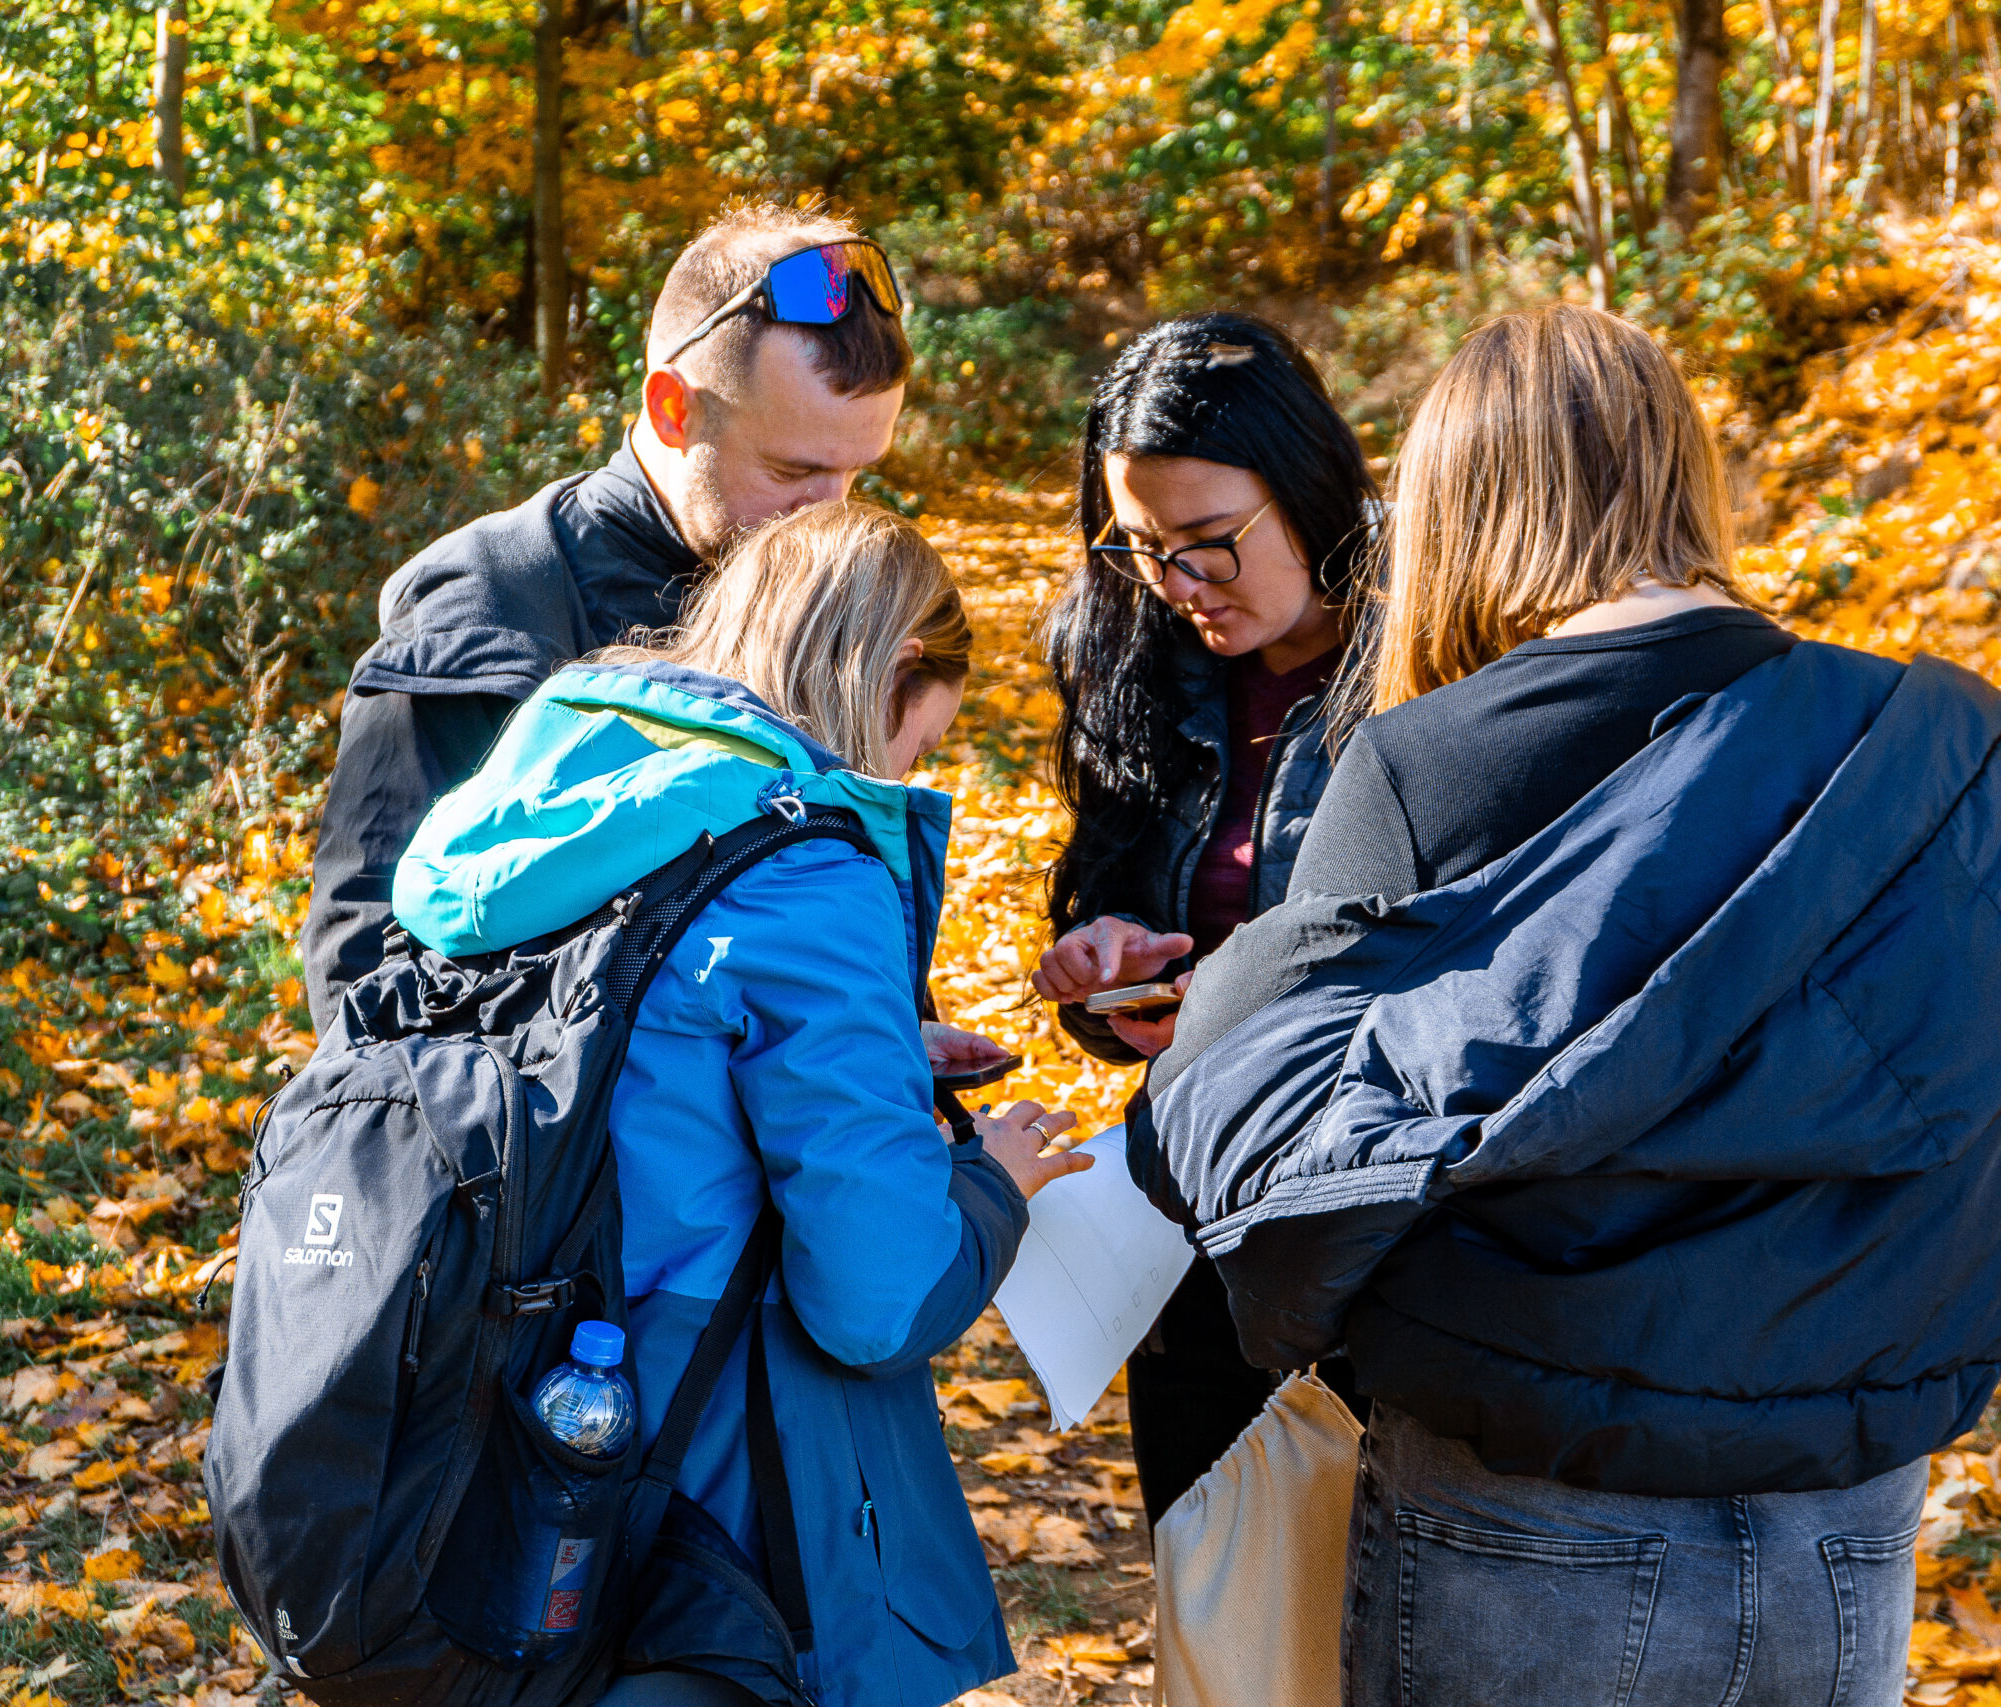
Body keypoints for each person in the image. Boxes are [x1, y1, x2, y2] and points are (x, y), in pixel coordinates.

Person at [1133, 306, 2001, 1705]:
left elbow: (1286, 1175)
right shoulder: (1967, 762)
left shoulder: (1421, 770)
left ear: (1454, 506)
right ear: (1681, 471)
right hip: (1849, 1505)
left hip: (1527, 1495)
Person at [390, 502, 1090, 1707]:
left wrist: (882, 1048)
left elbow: (636, 1033)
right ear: (893, 672)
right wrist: (993, 1185)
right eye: (924, 741)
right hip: (715, 1469)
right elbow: (874, 1300)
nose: (909, 772)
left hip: (507, 1387)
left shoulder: (559, 793)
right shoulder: (802, 867)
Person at [305, 199, 912, 1035]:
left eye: (857, 474)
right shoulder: (486, 610)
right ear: (673, 409)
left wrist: (894, 1042)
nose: (829, 514)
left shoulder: (821, 605)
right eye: (791, 471)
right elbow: (364, 972)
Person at [1028, 313, 1381, 1524]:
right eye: (1141, 548)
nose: (1178, 586)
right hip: (1193, 1234)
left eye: (1210, 544)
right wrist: (1107, 972)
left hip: (1386, 1242)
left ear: (1308, 490)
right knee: (1216, 1587)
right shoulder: (1139, 658)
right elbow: (1115, 903)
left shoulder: (1444, 654)